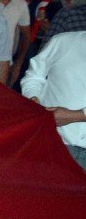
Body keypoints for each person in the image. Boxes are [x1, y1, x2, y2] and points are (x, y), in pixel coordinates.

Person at [21, 31, 86, 169]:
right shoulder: (64, 41)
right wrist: (34, 100)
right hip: (54, 141)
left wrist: (76, 116)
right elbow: (34, 76)